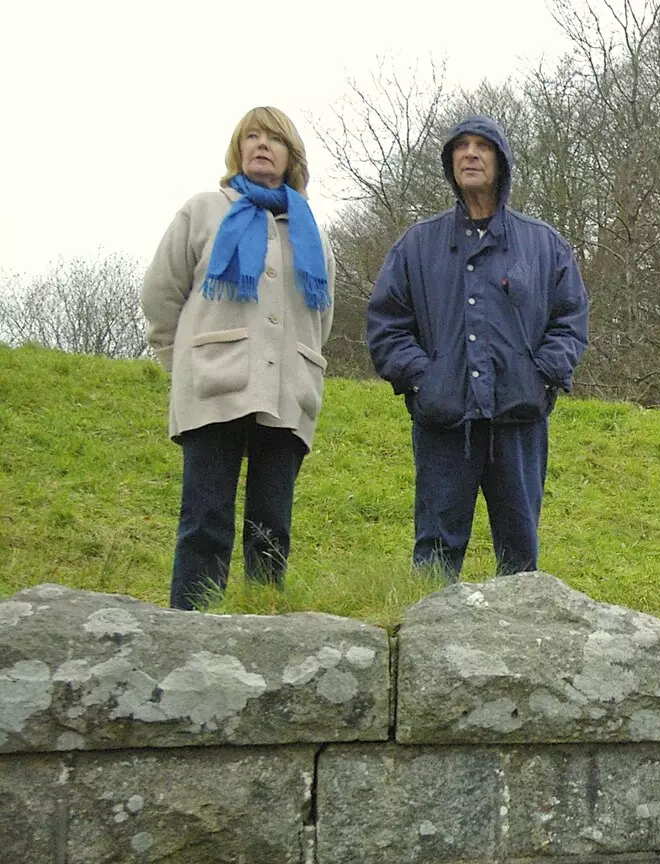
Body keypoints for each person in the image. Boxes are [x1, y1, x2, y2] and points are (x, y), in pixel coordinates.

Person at [366, 115, 588, 579]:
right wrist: (425, 380)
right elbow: (387, 324)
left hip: (519, 419)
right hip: (445, 422)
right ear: (450, 163)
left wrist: (541, 373)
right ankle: (426, 646)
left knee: (520, 553)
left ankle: (525, 649)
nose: (470, 153)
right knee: (435, 557)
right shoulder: (417, 245)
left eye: (482, 146)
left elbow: (570, 320)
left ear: (500, 161)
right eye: (461, 146)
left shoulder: (543, 245)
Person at [142, 107, 334, 610]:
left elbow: (322, 317)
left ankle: (261, 630)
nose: (262, 145)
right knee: (205, 520)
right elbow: (162, 295)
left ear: (292, 154)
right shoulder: (203, 211)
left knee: (271, 528)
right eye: (252, 136)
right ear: (238, 148)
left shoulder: (309, 231)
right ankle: (190, 629)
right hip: (213, 384)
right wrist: (180, 361)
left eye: (274, 138)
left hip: (286, 393)